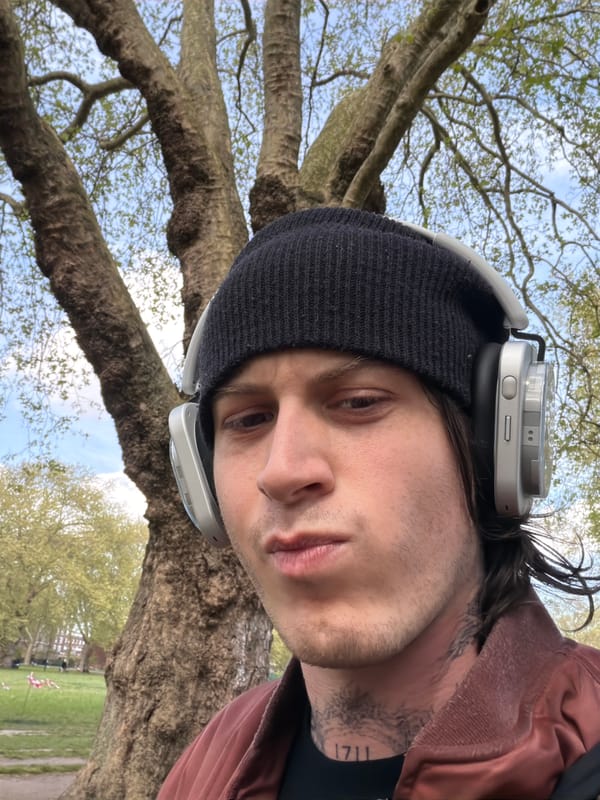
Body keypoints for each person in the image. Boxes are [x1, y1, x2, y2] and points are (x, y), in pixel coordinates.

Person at [160, 208, 600, 800]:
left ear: (492, 447)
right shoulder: (210, 762)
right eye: (250, 419)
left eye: (359, 402)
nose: (283, 471)